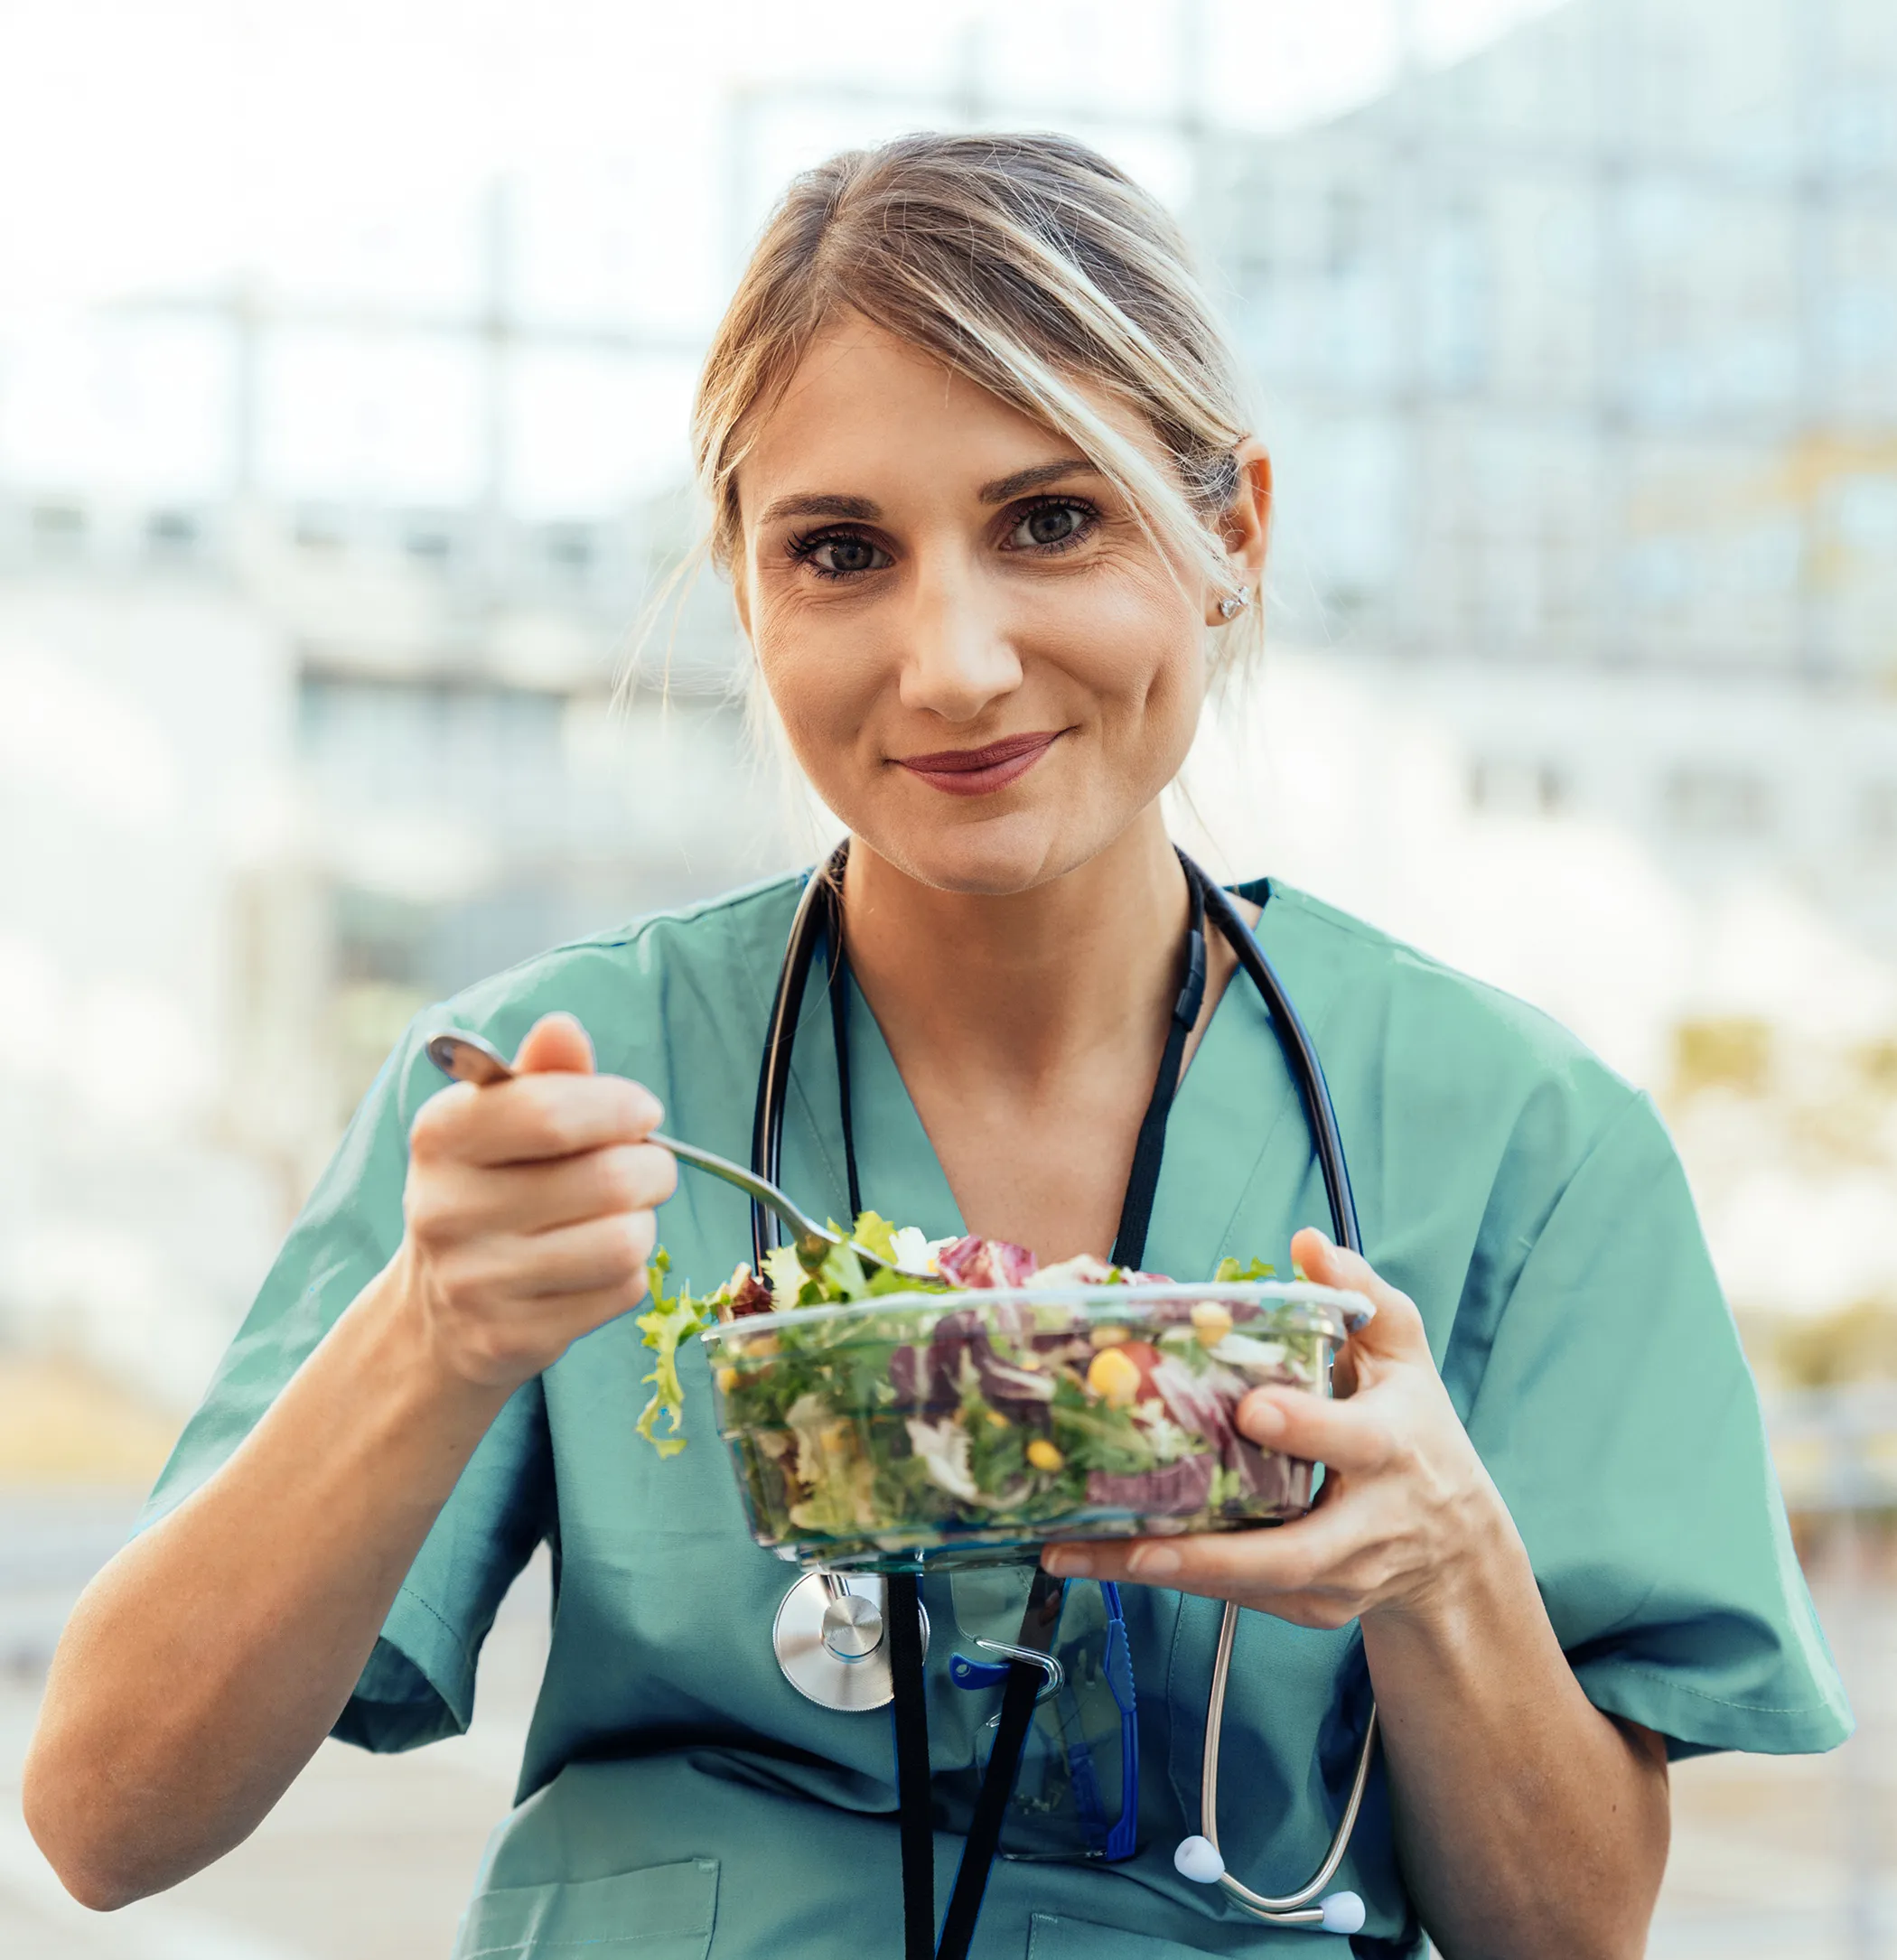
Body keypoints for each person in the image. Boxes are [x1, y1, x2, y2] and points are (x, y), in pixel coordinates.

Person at [25, 132, 1848, 1960]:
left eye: (1052, 518)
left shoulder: (1527, 1144)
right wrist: (429, 1333)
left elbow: (1572, 1927)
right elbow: (105, 1812)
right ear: (746, 587)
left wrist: (1445, 1560)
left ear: (1231, 532)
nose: (955, 660)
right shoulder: (546, 1103)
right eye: (840, 551)